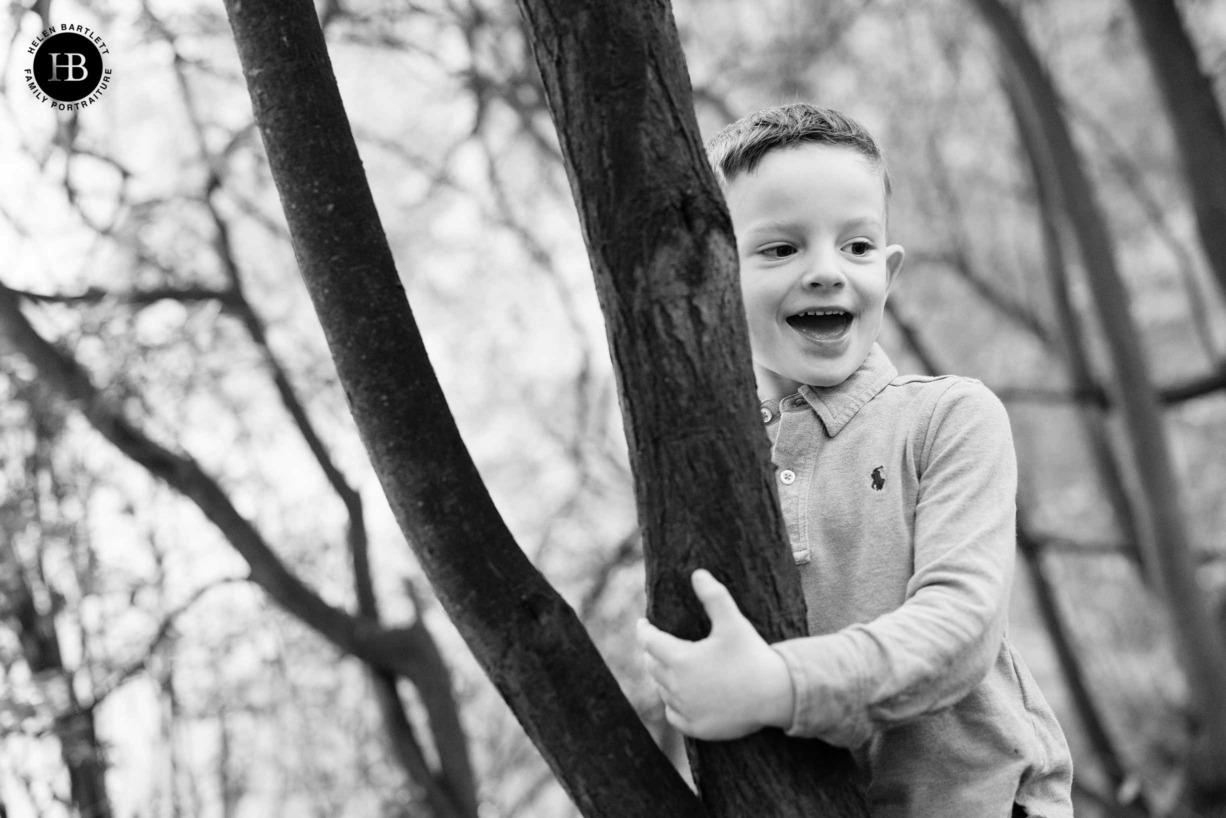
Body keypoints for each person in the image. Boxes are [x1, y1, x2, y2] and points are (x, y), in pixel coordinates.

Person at [637, 103, 1074, 818]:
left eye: (858, 247)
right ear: (713, 274)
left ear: (890, 270)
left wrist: (780, 686)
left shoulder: (947, 418)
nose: (826, 273)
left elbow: (959, 628)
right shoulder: (710, 467)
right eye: (780, 249)